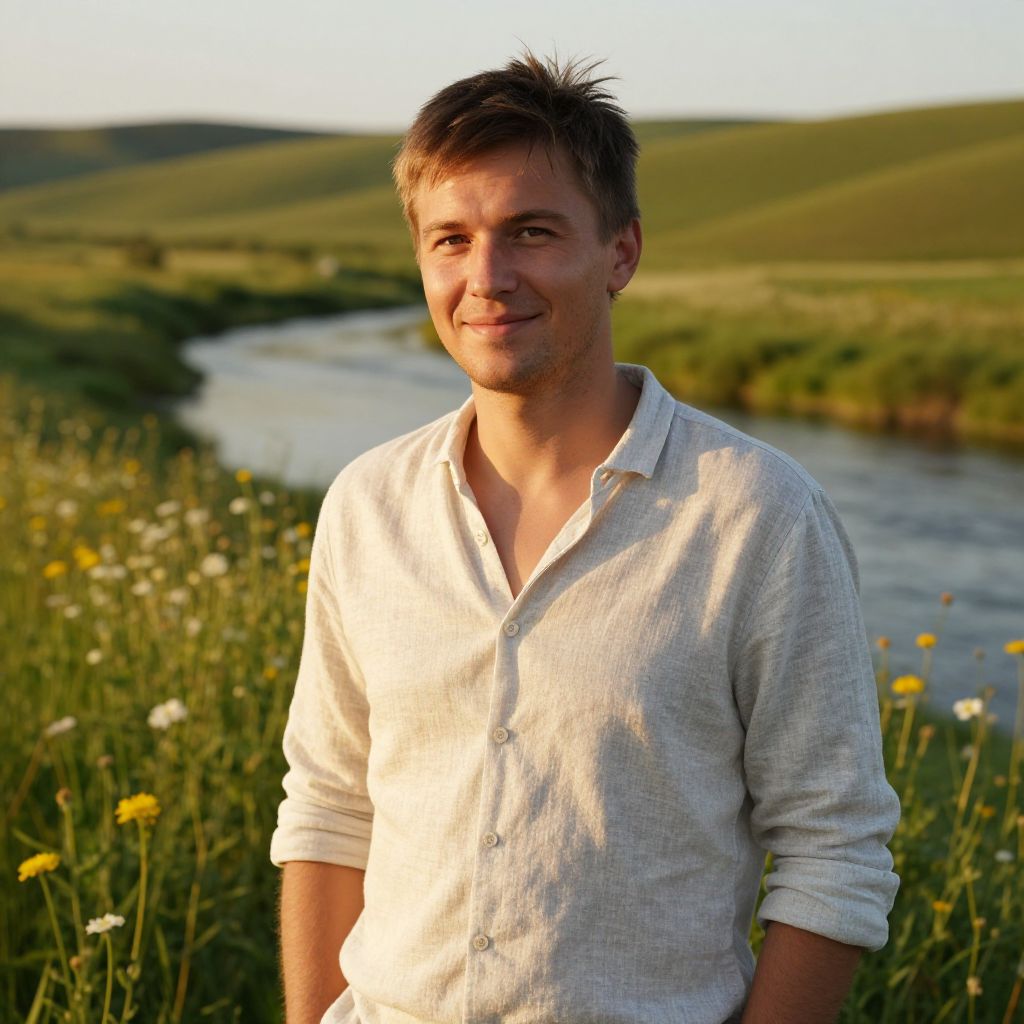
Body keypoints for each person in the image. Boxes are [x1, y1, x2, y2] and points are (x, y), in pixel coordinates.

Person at [271, 53, 901, 1024]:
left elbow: (836, 845)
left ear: (620, 251)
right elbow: (326, 805)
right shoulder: (366, 506)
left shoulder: (756, 515)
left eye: (531, 231)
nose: (486, 277)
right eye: (451, 239)